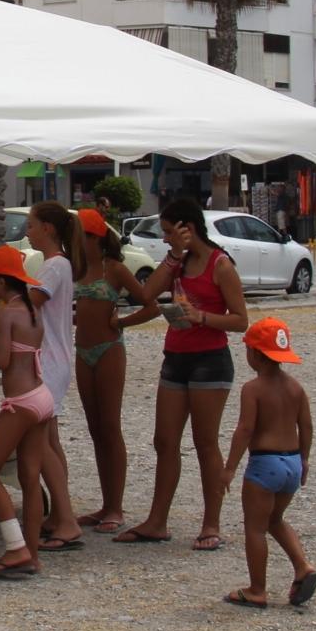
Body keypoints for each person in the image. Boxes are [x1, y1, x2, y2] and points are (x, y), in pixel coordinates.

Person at [114, 196, 249, 552]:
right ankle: (157, 521)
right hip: (176, 356)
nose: (164, 238)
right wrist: (173, 256)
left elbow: (240, 320)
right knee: (165, 440)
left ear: (187, 228)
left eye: (168, 232)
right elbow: (145, 293)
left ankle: (211, 524)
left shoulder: (220, 265)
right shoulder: (179, 262)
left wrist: (201, 317)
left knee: (205, 442)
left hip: (210, 359)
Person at [0, 246, 70, 578]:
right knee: (30, 477)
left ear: (1, 282)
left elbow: (3, 361)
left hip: (21, 401)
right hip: (41, 395)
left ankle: (15, 548)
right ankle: (32, 555)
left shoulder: (8, 312)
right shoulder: (32, 308)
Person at [221, 317, 316, 609]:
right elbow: (307, 426)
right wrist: (305, 459)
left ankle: (257, 589)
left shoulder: (253, 389)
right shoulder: (296, 388)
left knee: (255, 528)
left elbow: (245, 429)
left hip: (265, 464)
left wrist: (230, 467)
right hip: (292, 462)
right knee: (275, 519)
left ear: (254, 353)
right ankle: (303, 566)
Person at [72, 207, 159, 534]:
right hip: (82, 351)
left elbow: (151, 305)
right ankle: (106, 503)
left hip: (108, 349)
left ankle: (116, 507)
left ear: (95, 237)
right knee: (95, 428)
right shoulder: (78, 267)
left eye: (81, 237)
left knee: (110, 426)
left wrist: (122, 322)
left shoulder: (115, 269)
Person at [20, 203, 85, 549]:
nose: (27, 232)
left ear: (48, 228)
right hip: (53, 358)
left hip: (48, 361)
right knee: (51, 441)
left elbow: (30, 302)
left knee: (41, 443)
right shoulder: (57, 264)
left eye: (31, 226)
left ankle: (67, 520)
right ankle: (61, 513)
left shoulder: (55, 266)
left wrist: (8, 279)